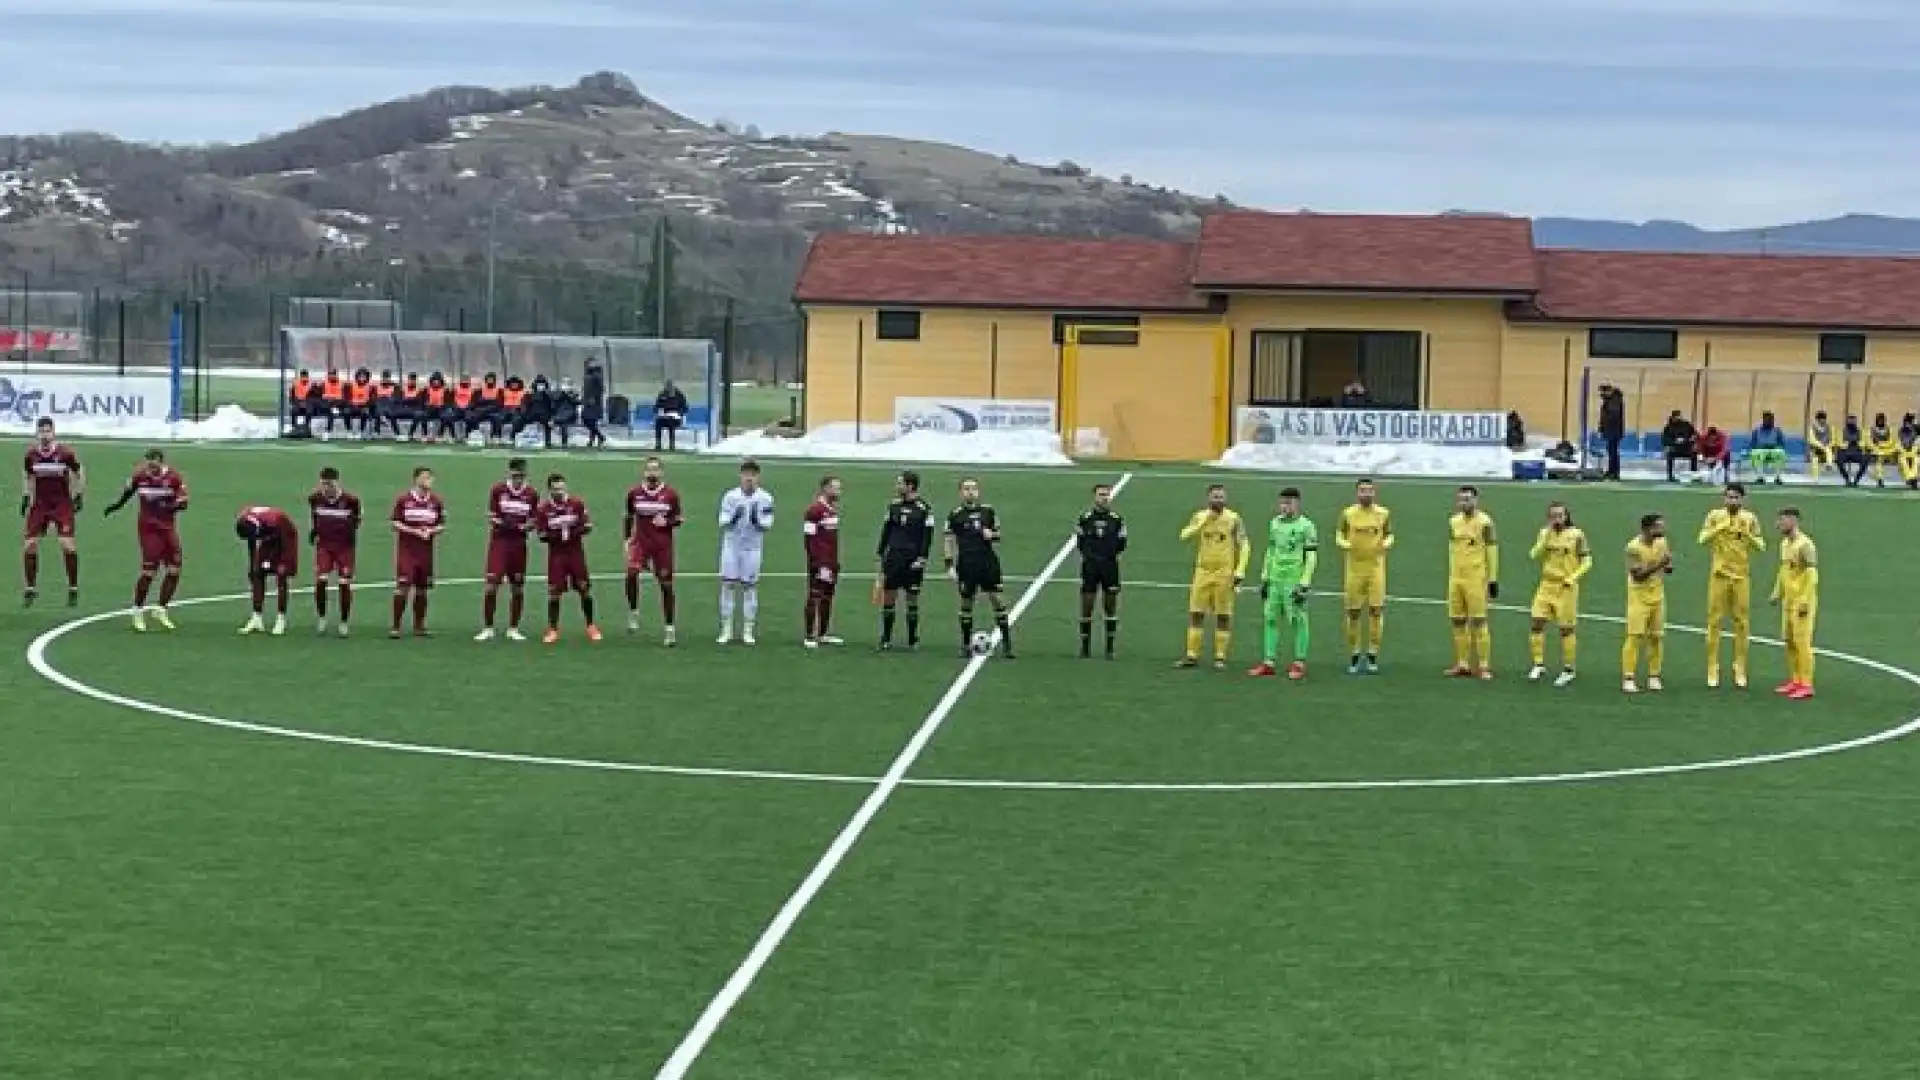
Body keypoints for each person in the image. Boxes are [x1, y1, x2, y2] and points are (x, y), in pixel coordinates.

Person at [103, 449, 188, 632]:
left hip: (167, 529)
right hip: (148, 530)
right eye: (148, 464)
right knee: (149, 571)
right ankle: (137, 611)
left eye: (154, 464)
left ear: (161, 462)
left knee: (174, 569)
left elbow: (184, 502)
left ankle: (161, 608)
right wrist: (116, 506)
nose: (151, 468)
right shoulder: (139, 476)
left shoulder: (174, 478)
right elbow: (128, 492)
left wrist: (171, 506)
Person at [1698, 482, 1764, 689]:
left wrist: (1748, 535)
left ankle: (1740, 668)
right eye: (1729, 497)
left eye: (1736, 497)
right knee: (1714, 622)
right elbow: (1701, 539)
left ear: (1742, 500)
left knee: (1742, 623)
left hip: (1741, 577)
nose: (1732, 501)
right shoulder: (1714, 516)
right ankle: (1712, 667)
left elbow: (1762, 546)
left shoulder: (1750, 519)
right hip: (1719, 576)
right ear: (1724, 498)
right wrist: (1719, 528)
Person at [1249, 486, 1316, 680]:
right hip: (1275, 579)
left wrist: (1304, 583)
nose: (1284, 507)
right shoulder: (1275, 524)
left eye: (1289, 503)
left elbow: (1311, 557)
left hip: (1293, 579)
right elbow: (1270, 552)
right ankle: (1268, 661)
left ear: (1297, 503)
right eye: (1282, 503)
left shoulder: (1306, 526)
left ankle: (1299, 662)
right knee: (1270, 618)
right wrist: (1264, 577)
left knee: (1297, 619)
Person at [1177, 484, 1247, 669]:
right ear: (1208, 498)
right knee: (1196, 613)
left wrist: (1240, 570)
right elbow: (1184, 535)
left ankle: (1220, 656)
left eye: (1221, 497)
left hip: (1224, 572)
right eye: (1215, 497)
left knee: (1223, 615)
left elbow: (1245, 545)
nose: (1218, 500)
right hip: (1202, 572)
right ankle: (1192, 655)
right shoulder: (1200, 516)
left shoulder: (1234, 519)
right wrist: (1203, 522)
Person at [21, 416, 84, 607]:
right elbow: (28, 474)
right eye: (42, 431)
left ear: (53, 432)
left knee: (67, 545)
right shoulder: (31, 454)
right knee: (29, 545)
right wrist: (25, 496)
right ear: (37, 433)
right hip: (40, 504)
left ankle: (73, 587)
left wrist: (79, 494)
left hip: (61, 504)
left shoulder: (65, 453)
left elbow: (79, 470)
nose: (45, 435)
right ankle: (31, 589)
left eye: (48, 431)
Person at [1526, 501, 1590, 687]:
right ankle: (1538, 664)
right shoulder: (1544, 533)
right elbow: (1534, 554)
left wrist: (1573, 577)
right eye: (1553, 515)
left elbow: (1587, 560)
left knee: (1566, 629)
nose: (1556, 519)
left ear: (1567, 516)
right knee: (1537, 622)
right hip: (1546, 585)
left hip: (1566, 588)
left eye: (1560, 515)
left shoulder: (1576, 535)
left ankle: (1568, 669)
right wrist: (1544, 539)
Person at [946, 477, 1011, 659]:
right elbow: (949, 540)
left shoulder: (988, 512)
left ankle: (1007, 645)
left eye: (973, 488)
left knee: (998, 600)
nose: (970, 492)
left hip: (988, 562)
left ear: (978, 491)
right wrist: (949, 564)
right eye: (966, 489)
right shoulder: (955, 515)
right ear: (961, 492)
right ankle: (965, 645)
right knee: (966, 602)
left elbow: (999, 534)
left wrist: (992, 534)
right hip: (967, 563)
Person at [624, 456, 684, 644]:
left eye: (655, 469)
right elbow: (628, 516)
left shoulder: (671, 494)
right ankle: (634, 611)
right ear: (644, 472)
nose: (652, 473)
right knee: (631, 574)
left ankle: (669, 628)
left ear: (661, 472)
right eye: (649, 469)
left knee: (666, 585)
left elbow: (679, 518)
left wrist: (667, 522)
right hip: (641, 542)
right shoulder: (634, 493)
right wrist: (627, 539)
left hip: (662, 545)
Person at [476, 458, 537, 642]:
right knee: (491, 586)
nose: (518, 478)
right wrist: (507, 524)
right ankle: (488, 627)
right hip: (500, 542)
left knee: (517, 587)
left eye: (521, 475)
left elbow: (534, 519)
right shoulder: (498, 490)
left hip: (518, 544)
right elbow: (491, 516)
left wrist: (526, 528)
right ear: (509, 473)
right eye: (515, 475)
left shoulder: (532, 493)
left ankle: (513, 627)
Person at [1335, 477, 1391, 674]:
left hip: (1375, 569)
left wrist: (1386, 543)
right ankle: (1355, 653)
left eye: (1369, 490)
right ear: (1357, 493)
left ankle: (1373, 653)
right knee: (1353, 612)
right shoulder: (1348, 514)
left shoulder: (1383, 513)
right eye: (1362, 490)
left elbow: (1389, 533)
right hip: (1354, 569)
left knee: (1376, 611)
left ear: (1374, 493)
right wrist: (1344, 544)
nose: (1366, 494)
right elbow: (1339, 533)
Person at [534, 473, 599, 643]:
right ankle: (553, 629)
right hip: (557, 555)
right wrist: (558, 535)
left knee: (584, 589)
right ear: (549, 490)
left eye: (562, 488)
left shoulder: (576, 504)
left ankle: (591, 626)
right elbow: (541, 534)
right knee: (554, 593)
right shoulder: (543, 509)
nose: (559, 492)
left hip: (575, 553)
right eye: (556, 489)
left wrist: (569, 533)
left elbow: (587, 526)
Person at [875, 470, 935, 651]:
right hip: (893, 558)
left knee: (912, 599)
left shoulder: (924, 509)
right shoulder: (892, 507)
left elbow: (927, 537)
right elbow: (886, 532)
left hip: (912, 560)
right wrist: (880, 555)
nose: (897, 486)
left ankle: (912, 639)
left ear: (910, 486)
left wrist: (922, 558)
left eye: (900, 483)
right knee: (889, 598)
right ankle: (886, 638)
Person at [716, 460, 774, 645]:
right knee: (728, 585)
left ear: (758, 477)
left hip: (752, 549)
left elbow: (766, 525)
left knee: (750, 587)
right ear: (740, 476)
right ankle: (726, 629)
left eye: (753, 475)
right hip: (731, 547)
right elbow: (724, 523)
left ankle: (748, 630)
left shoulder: (766, 498)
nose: (749, 479)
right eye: (746, 475)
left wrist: (756, 519)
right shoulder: (730, 496)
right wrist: (735, 517)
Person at [1445, 484, 1499, 679]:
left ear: (1476, 500)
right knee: (1457, 620)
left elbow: (1492, 549)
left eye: (1468, 499)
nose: (1464, 502)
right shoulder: (1453, 522)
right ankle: (1462, 664)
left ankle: (1484, 665)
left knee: (1479, 621)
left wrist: (1492, 579)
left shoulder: (1485, 522)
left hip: (1476, 578)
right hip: (1456, 578)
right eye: (1461, 499)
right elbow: (1452, 548)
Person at [389, 467, 445, 638]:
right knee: (403, 587)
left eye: (431, 478)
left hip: (426, 552)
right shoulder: (404, 500)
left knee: (422, 589)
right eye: (426, 477)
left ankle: (419, 626)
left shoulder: (436, 501)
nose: (429, 481)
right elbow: (394, 523)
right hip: (407, 551)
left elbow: (442, 524)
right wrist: (412, 531)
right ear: (416, 479)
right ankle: (396, 626)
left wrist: (431, 531)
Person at [1770, 506, 1819, 700]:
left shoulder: (1806, 545)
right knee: (1789, 640)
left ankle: (1807, 684)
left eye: (1783, 520)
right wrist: (1777, 592)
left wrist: (1806, 600)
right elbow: (1784, 570)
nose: (1779, 523)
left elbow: (1812, 574)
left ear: (1794, 520)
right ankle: (1795, 679)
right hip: (1789, 599)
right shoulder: (1784, 544)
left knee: (1802, 642)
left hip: (1802, 600)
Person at [1074, 482, 1126, 659]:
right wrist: (1092, 556)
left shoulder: (1117, 520)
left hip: (1110, 566)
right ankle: (1085, 647)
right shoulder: (1085, 518)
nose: (1104, 498)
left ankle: (1110, 648)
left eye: (1106, 495)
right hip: (1090, 566)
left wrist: (1108, 555)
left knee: (1110, 606)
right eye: (1101, 494)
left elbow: (1122, 544)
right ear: (1094, 497)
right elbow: (1080, 543)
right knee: (1087, 605)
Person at [308, 466, 362, 637]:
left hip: (345, 547)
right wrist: (315, 531)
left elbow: (356, 521)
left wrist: (347, 536)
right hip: (324, 545)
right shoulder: (315, 498)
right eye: (324, 484)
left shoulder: (351, 500)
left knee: (344, 583)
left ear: (337, 483)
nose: (326, 488)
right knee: (321, 580)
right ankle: (322, 618)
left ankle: (344, 622)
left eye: (329, 484)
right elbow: (315, 516)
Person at [1622, 513, 1672, 693]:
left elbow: (1667, 561)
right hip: (1638, 598)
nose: (1662, 530)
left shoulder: (1662, 542)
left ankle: (1654, 676)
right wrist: (1660, 565)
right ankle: (1628, 677)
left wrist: (1667, 566)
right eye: (1658, 527)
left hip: (1658, 595)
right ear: (1647, 529)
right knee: (1634, 636)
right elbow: (1638, 576)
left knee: (1657, 637)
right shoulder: (1633, 548)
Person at [235, 505, 299, 635]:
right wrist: (252, 564)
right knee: (257, 573)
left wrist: (275, 562)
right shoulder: (246, 521)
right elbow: (251, 543)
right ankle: (256, 617)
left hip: (285, 538)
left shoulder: (275, 521)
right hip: (268, 537)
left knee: (281, 574)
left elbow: (284, 543)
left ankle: (281, 619)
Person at [801, 475, 844, 649]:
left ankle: (823, 634)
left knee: (827, 597)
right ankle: (809, 635)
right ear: (825, 488)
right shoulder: (814, 511)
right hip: (820, 563)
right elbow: (809, 539)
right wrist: (817, 563)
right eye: (836, 488)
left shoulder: (831, 510)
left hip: (831, 562)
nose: (839, 492)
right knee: (815, 596)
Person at [1747, 412, 1788, 484]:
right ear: (1763, 420)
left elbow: (1782, 444)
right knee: (1755, 453)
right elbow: (1752, 444)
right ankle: (1760, 478)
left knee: (1781, 453)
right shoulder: (1757, 430)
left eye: (1771, 419)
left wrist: (1776, 447)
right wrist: (1757, 447)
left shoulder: (1777, 430)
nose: (1768, 421)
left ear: (1773, 420)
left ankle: (1777, 478)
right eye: (1766, 419)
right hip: (1761, 450)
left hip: (1773, 451)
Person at [1598, 384, 1626, 480]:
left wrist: (1604, 427)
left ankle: (1614, 472)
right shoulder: (1611, 400)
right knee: (1611, 452)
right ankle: (1611, 470)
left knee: (1613, 452)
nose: (1602, 395)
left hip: (1614, 430)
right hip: (1611, 430)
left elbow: (1611, 415)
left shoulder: (1615, 400)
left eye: (1603, 392)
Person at [1661, 410, 1698, 481]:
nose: (1677, 419)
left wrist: (1691, 439)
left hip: (1686, 447)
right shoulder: (1668, 427)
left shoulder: (1687, 424)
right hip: (1675, 448)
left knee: (1694, 454)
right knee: (1669, 454)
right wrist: (1674, 441)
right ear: (1672, 417)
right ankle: (1670, 476)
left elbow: (1694, 434)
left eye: (1678, 417)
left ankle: (1693, 475)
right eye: (1675, 417)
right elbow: (1664, 439)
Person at [1835, 415, 1869, 486]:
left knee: (1866, 459)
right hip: (1845, 452)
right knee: (1838, 459)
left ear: (1856, 422)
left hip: (1856, 452)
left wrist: (1858, 443)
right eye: (1850, 420)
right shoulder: (1842, 431)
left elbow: (1863, 443)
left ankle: (1857, 479)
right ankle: (1847, 478)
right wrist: (1848, 443)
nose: (1852, 422)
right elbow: (1839, 443)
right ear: (1847, 421)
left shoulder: (1860, 431)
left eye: (1853, 420)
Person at [655, 380, 689, 451]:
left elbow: (685, 408)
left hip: (675, 417)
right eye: (667, 386)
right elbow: (656, 406)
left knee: (671, 423)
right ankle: (658, 444)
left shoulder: (679, 395)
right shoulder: (662, 394)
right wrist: (661, 411)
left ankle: (672, 444)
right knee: (658, 423)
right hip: (664, 416)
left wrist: (679, 414)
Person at [1868, 412, 1900, 487]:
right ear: (1876, 420)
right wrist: (1877, 447)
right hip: (1877, 451)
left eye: (1882, 420)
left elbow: (1891, 442)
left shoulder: (1889, 429)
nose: (1881, 421)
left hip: (1888, 450)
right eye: (1879, 420)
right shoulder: (1872, 429)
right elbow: (1870, 442)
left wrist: (1881, 444)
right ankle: (1880, 479)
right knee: (1878, 461)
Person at [581, 362, 607, 448]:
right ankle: (598, 438)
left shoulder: (596, 377)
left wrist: (593, 397)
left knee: (591, 421)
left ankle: (595, 439)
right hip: (587, 403)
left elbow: (601, 389)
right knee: (589, 421)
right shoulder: (587, 377)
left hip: (594, 404)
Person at [1804, 410, 1833, 481]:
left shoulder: (1828, 427)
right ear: (1817, 419)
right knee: (1815, 460)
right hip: (1815, 449)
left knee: (1828, 450)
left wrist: (1826, 444)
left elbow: (1830, 438)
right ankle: (1815, 478)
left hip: (1825, 448)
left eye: (1824, 418)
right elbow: (1812, 439)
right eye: (1820, 418)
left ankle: (1829, 464)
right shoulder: (1813, 427)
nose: (1822, 420)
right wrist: (1820, 445)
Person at [1899, 414, 1920, 489]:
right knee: (1903, 460)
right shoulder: (1903, 429)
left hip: (1915, 452)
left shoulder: (1916, 428)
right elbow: (1904, 442)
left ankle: (1913, 478)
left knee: (1917, 460)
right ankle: (1910, 478)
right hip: (1905, 451)